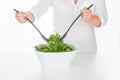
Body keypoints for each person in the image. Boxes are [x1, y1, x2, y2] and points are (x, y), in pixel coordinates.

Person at [15, 0, 108, 53]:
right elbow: (36, 11)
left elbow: (103, 19)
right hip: (60, 52)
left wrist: (90, 17)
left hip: (87, 51)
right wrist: (26, 16)